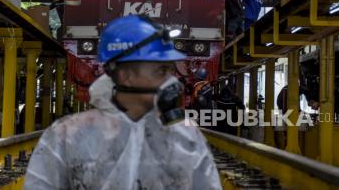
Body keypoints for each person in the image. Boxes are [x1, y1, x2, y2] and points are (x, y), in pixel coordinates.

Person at [24, 15, 221, 190]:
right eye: (160, 71)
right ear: (126, 76)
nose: (171, 81)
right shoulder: (67, 136)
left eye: (171, 71)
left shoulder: (186, 136)